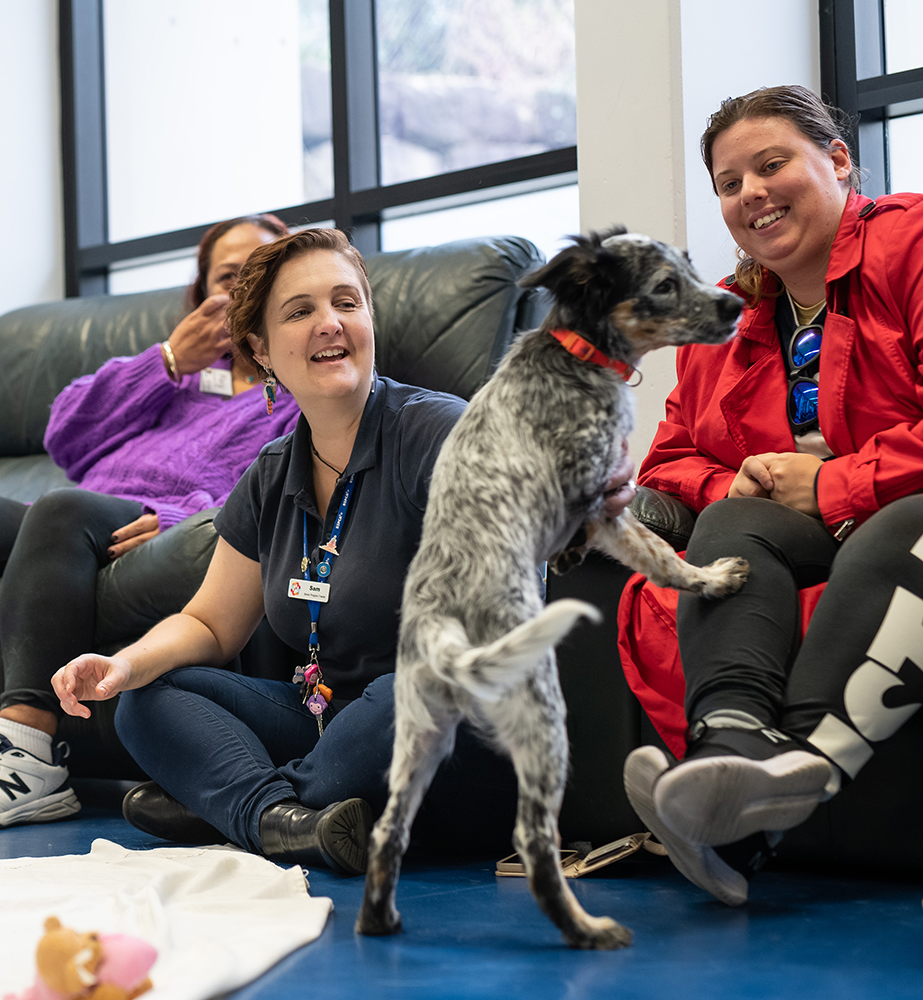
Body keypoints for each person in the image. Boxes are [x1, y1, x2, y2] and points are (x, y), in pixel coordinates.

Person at [51, 228, 636, 874]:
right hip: (331, 720)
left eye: (347, 303)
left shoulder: (439, 429)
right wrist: (123, 665)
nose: (330, 323)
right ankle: (289, 820)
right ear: (261, 350)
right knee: (149, 697)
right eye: (300, 312)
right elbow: (210, 623)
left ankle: (240, 807)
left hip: (461, 735)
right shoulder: (270, 474)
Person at [0, 215, 302, 829]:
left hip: (140, 524)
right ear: (203, 294)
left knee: (61, 509)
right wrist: (168, 360)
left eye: (260, 274)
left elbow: (276, 488)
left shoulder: (293, 393)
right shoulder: (167, 376)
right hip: (68, 522)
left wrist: (181, 518)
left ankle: (27, 753)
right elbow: (64, 436)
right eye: (227, 277)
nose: (241, 289)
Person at [621, 85, 923, 905]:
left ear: (837, 161)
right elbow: (669, 462)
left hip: (905, 508)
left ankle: (757, 816)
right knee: (733, 519)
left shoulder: (913, 243)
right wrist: (743, 479)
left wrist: (832, 482)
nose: (750, 192)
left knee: (907, 517)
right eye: (728, 182)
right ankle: (734, 745)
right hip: (813, 527)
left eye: (771, 163)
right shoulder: (728, 313)